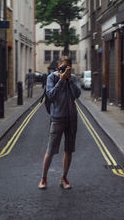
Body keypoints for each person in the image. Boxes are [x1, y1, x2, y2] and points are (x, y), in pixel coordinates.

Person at [38, 56, 81, 190]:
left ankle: (64, 178)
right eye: (63, 67)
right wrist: (61, 80)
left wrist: (70, 80)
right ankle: (43, 178)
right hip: (57, 118)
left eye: (68, 67)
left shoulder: (73, 78)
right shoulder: (52, 77)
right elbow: (50, 95)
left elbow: (77, 95)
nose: (65, 70)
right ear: (58, 67)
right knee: (51, 150)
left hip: (71, 119)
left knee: (69, 150)